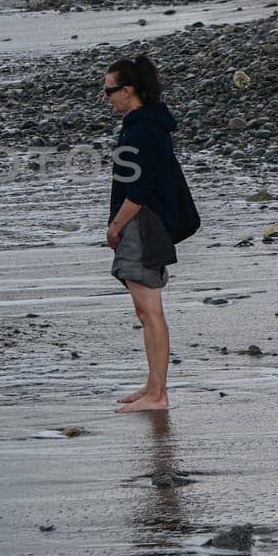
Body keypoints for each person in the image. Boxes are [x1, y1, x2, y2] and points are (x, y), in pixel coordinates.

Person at [104, 54, 182, 414]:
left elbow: (138, 189)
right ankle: (153, 385)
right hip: (149, 223)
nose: (107, 98)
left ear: (130, 90)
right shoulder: (145, 123)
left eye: (110, 91)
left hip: (143, 225)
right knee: (146, 310)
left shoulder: (143, 129)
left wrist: (116, 226)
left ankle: (158, 394)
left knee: (150, 311)